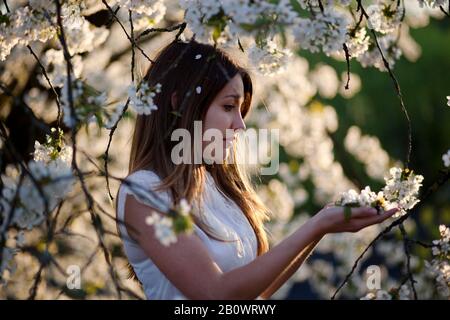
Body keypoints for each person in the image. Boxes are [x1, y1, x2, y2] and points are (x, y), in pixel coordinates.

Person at [115, 39, 398, 300]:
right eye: (228, 107)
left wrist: (320, 227)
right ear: (179, 103)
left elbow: (255, 294)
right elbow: (216, 294)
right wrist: (317, 224)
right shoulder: (145, 192)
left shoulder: (218, 188)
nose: (240, 125)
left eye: (241, 111)